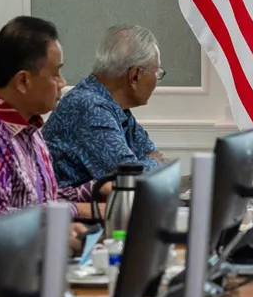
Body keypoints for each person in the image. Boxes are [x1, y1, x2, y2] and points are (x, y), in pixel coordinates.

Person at [0, 16, 105, 237]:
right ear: (23, 81)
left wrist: (97, 191)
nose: (62, 83)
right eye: (56, 73)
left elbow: (43, 200)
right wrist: (72, 219)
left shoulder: (29, 127)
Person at [43, 24, 168, 188]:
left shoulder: (116, 107)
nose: (157, 80)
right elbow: (130, 181)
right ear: (135, 75)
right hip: (72, 212)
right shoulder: (89, 107)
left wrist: (151, 162)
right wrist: (153, 162)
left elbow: (155, 161)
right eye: (157, 73)